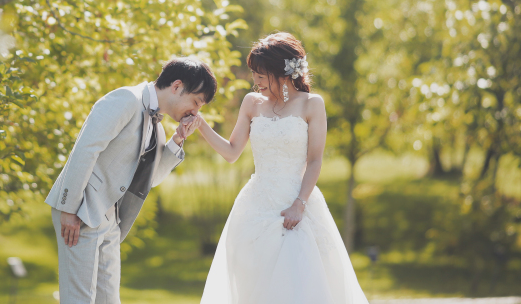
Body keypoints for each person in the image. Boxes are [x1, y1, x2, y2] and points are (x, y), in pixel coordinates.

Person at [188, 33, 369, 304]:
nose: (255, 81)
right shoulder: (251, 103)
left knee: (298, 283)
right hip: (256, 206)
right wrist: (200, 124)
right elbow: (231, 152)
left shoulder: (312, 104)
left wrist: (299, 204)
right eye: (254, 74)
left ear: (282, 74)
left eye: (261, 75)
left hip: (296, 204)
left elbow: (315, 160)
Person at [44, 57, 213, 304]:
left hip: (111, 218)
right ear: (177, 86)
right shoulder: (126, 99)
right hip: (82, 210)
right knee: (79, 299)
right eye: (196, 102)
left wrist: (177, 140)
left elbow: (151, 179)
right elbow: (85, 150)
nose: (196, 112)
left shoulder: (158, 127)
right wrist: (69, 209)